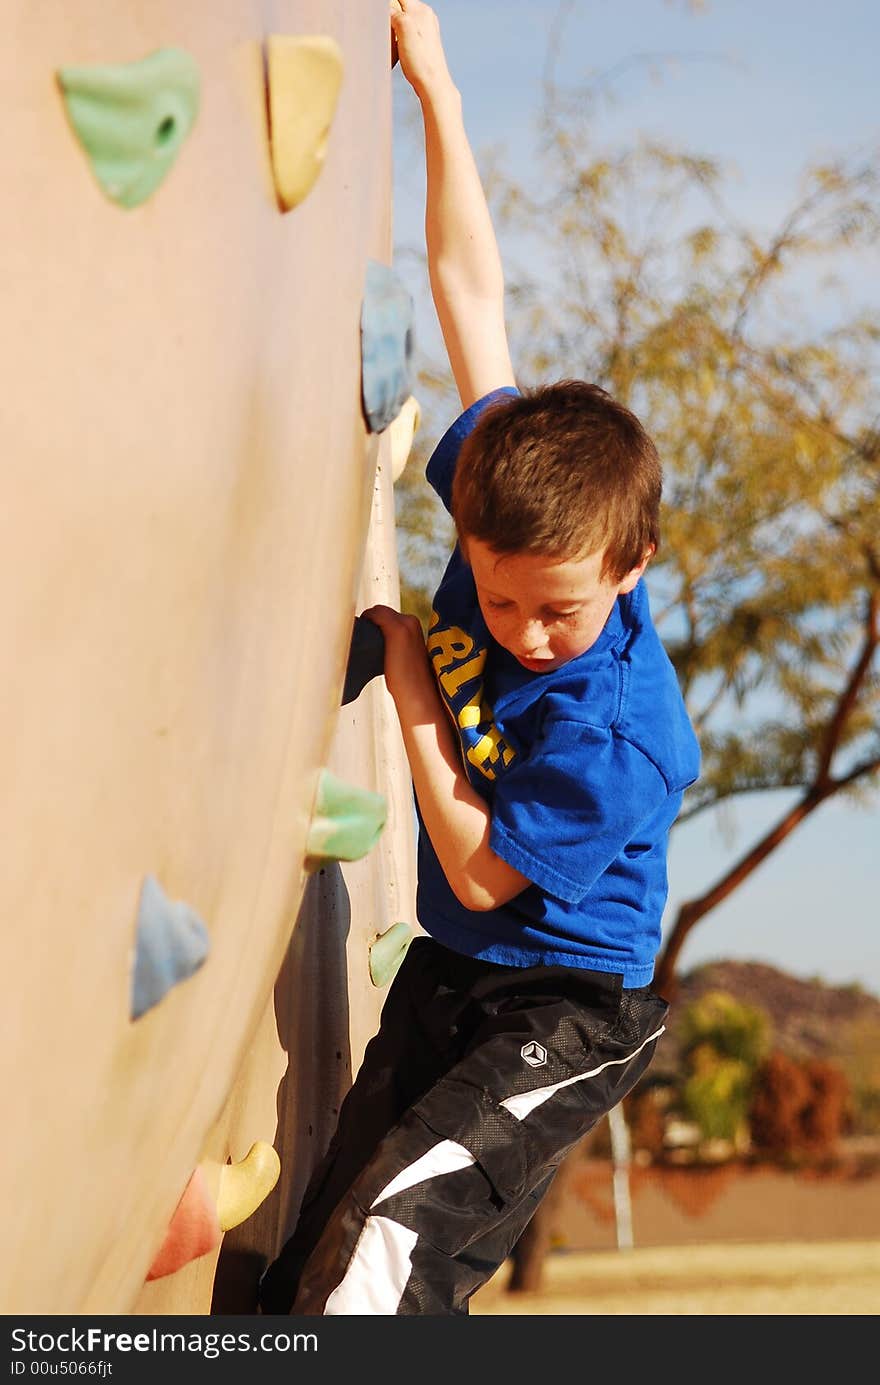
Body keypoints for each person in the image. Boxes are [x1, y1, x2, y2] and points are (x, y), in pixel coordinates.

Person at [258, 0, 700, 1316]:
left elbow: (477, 864)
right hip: (459, 970)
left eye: (556, 612)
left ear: (633, 564)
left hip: (561, 1006)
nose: (519, 632)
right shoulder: (504, 488)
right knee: (314, 1246)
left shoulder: (619, 731)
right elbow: (471, 291)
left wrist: (409, 673)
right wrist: (438, 89)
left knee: (385, 1260)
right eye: (495, 598)